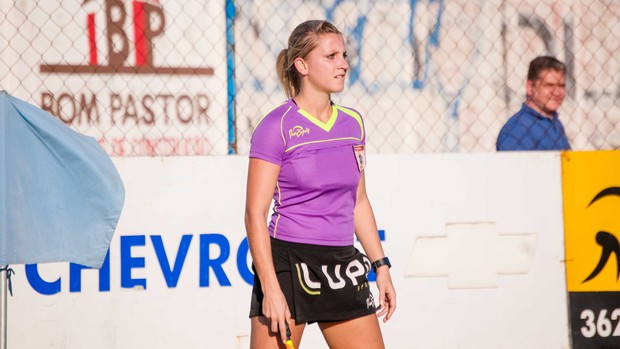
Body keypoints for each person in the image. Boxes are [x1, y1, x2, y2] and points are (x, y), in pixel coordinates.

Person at [244, 20, 396, 349]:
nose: (343, 63)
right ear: (302, 65)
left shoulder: (352, 123)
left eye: (343, 55)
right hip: (288, 264)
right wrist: (271, 288)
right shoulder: (276, 127)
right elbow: (255, 214)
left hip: (341, 263)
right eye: (330, 56)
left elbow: (358, 202)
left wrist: (380, 266)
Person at [496, 56, 571, 151]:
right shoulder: (517, 130)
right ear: (530, 87)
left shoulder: (555, 124)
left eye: (561, 86)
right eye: (549, 85)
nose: (557, 93)